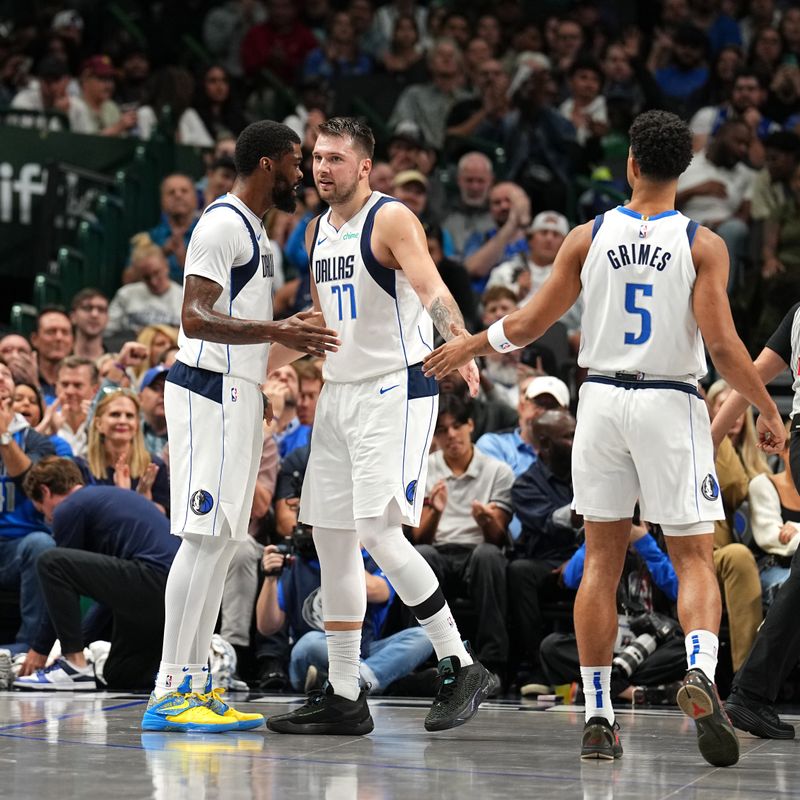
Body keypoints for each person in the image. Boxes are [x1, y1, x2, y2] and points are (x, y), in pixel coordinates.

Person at [423, 109, 786, 766]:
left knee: (600, 564)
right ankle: (700, 671)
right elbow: (727, 349)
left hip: (601, 403)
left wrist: (469, 343)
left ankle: (596, 712)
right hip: (669, 400)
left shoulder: (589, 236)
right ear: (683, 169)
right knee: (695, 558)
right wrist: (765, 408)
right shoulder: (703, 243)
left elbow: (531, 323)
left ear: (630, 164)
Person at [267, 116, 491, 737]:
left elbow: (431, 287)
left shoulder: (390, 219)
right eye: (316, 157)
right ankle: (344, 693)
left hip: (397, 386)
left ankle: (461, 662)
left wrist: (463, 347)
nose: (321, 168)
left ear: (365, 167)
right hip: (338, 394)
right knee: (332, 539)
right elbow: (322, 318)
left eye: (336, 158)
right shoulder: (316, 230)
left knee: (379, 532)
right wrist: (253, 362)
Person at [140, 119, 339, 734]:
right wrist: (279, 330)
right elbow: (195, 319)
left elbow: (248, 345)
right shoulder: (223, 223)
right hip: (205, 394)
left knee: (222, 544)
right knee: (201, 540)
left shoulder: (257, 231)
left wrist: (296, 339)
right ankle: (169, 686)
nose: (301, 174)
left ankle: (196, 682)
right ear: (267, 164)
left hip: (236, 394)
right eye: (296, 163)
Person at [14, 458, 180, 691]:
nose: (49, 520)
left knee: (51, 561)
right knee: (121, 675)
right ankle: (209, 662)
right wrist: (75, 644)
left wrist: (40, 650)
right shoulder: (107, 499)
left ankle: (75, 667)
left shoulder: (69, 507)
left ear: (45, 491)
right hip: (171, 594)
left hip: (152, 579)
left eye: (42, 511)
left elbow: (58, 576)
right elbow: (109, 592)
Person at [74, 389, 170, 513]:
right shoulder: (81, 466)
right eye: (115, 414)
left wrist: (142, 500)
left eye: (129, 416)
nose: (122, 421)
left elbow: (163, 520)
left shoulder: (153, 467)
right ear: (98, 424)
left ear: (136, 424)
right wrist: (127, 498)